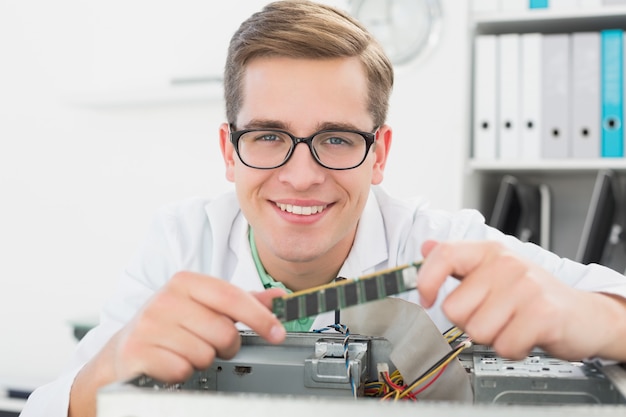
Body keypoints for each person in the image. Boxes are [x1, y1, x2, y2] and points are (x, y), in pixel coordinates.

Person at [21, 1, 626, 416]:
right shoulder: (183, 241)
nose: (302, 175)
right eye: (267, 136)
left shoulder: (443, 245)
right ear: (229, 152)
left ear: (379, 154)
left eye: (336, 139)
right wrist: (102, 379)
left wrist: (593, 318)